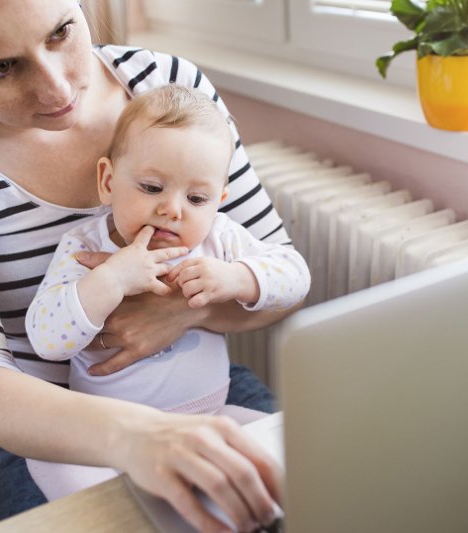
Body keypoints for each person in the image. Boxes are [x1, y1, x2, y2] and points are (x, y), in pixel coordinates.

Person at [0, 0, 302, 530]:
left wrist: (186, 311)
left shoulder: (171, 89)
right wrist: (136, 436)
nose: (58, 90)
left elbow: (282, 276)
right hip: (50, 431)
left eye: (62, 31)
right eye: (1, 67)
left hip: (206, 396)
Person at [24, 84, 310, 500]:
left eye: (196, 198)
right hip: (109, 435)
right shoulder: (85, 248)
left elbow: (296, 274)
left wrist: (237, 277)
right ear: (108, 181)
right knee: (48, 461)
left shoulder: (220, 239)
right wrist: (112, 279)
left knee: (283, 458)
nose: (172, 209)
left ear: (218, 202)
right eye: (152, 188)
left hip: (208, 418)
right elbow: (47, 340)